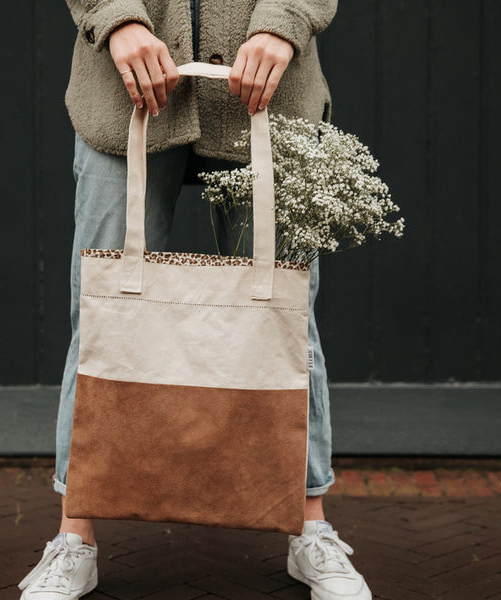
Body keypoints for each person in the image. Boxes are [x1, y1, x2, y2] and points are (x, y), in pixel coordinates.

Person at [18, 2, 371, 599]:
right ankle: (74, 538)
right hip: (123, 86)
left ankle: (310, 528)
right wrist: (117, 17)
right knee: (103, 312)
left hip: (270, 88)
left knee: (285, 318)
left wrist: (284, 19)